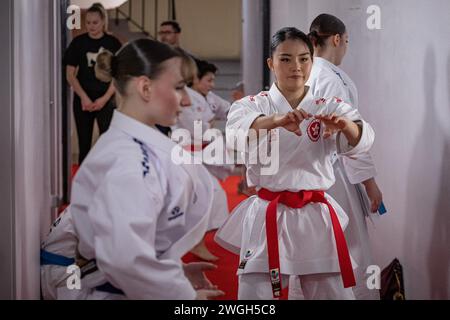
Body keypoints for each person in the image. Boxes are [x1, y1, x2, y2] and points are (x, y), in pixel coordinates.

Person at [41, 39, 224, 300]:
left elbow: (129, 246)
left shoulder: (135, 148)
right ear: (145, 88)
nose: (185, 101)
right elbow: (126, 257)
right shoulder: (129, 162)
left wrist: (173, 270)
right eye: (179, 87)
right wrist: (181, 295)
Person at [215, 27, 375, 300]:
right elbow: (234, 136)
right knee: (254, 297)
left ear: (312, 61)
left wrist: (344, 126)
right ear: (271, 63)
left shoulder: (328, 107)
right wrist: (276, 121)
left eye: (304, 58)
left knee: (334, 294)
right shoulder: (251, 105)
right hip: (268, 213)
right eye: (286, 59)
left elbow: (363, 137)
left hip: (315, 214)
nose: (296, 67)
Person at [302, 13, 382, 300]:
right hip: (333, 175)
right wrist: (370, 183)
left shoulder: (305, 72)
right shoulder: (335, 79)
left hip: (305, 177)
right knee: (349, 249)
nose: (345, 48)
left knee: (311, 254)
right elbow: (351, 136)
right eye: (346, 41)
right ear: (336, 39)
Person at [64, 4, 122, 164]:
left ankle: (107, 179)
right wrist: (84, 98)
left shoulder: (113, 43)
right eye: (88, 22)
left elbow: (118, 76)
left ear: (103, 21)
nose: (91, 26)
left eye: (95, 22)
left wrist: (104, 99)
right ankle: (84, 183)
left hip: (106, 98)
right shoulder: (78, 43)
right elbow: (70, 75)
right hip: (83, 100)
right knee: (84, 145)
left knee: (108, 143)